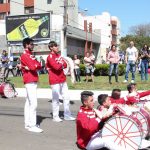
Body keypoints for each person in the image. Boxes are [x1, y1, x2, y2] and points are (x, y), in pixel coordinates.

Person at [46, 41, 75, 122]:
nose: (57, 47)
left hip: (62, 79)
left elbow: (65, 64)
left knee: (66, 97)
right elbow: (56, 67)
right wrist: (61, 64)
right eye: (55, 46)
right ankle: (55, 116)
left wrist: (61, 64)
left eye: (57, 46)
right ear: (51, 48)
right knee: (56, 99)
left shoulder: (59, 55)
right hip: (54, 80)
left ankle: (67, 115)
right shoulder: (50, 57)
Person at [20, 38, 43, 133]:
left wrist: (33, 66)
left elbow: (39, 66)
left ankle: (28, 123)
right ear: (26, 45)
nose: (33, 45)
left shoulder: (30, 55)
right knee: (33, 103)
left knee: (28, 103)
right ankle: (32, 125)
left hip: (31, 79)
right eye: (31, 44)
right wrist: (32, 66)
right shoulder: (25, 55)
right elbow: (34, 67)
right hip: (29, 80)